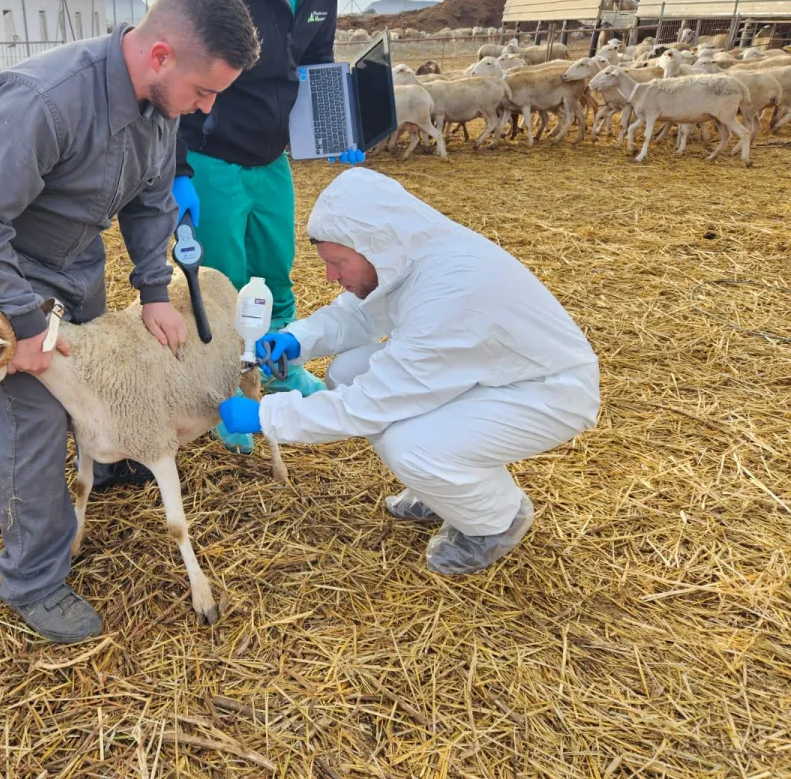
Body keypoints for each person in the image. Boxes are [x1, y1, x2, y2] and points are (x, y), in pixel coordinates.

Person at [0, 0, 261, 643]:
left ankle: (108, 456)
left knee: (98, 377)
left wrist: (152, 292)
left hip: (76, 261)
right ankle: (33, 578)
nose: (202, 109)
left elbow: (148, 203)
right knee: (33, 422)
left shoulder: (159, 108)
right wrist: (22, 327)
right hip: (5, 268)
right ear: (162, 55)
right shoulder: (47, 100)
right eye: (203, 92)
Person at [218, 169, 601, 574]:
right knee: (349, 370)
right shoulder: (410, 257)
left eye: (337, 263)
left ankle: (496, 519)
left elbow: (370, 403)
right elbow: (363, 315)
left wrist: (267, 416)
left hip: (547, 392)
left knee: (410, 446)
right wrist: (298, 339)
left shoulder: (450, 293)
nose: (331, 276)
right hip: (498, 375)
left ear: (371, 245)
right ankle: (444, 490)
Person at [164, 0, 366, 456]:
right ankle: (228, 390)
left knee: (277, 267)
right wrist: (177, 169)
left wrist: (334, 125)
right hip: (211, 152)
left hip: (269, 154)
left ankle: (276, 372)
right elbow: (173, 75)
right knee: (225, 279)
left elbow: (315, 59)